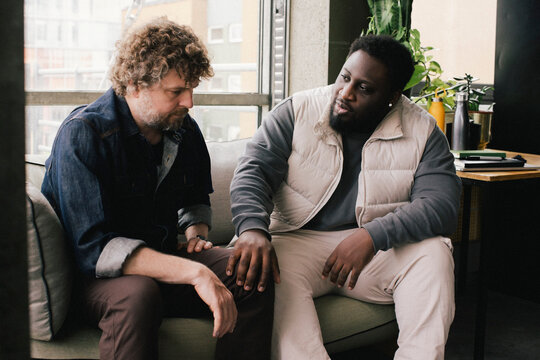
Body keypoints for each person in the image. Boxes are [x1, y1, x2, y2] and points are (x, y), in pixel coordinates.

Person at [41, 18, 273, 360]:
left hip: (162, 261)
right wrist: (194, 272)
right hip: (94, 281)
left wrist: (197, 232)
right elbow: (95, 250)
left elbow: (196, 194)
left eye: (192, 89)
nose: (189, 102)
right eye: (176, 92)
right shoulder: (84, 135)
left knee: (251, 271)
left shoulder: (183, 129)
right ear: (135, 85)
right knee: (138, 294)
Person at [227, 34, 461, 359]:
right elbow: (253, 172)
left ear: (393, 97)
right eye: (345, 77)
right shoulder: (297, 111)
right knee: (269, 268)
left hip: (375, 251)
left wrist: (372, 236)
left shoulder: (423, 131)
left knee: (433, 253)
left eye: (364, 89)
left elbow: (442, 206)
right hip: (297, 242)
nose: (345, 94)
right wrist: (252, 228)